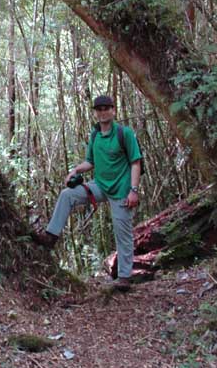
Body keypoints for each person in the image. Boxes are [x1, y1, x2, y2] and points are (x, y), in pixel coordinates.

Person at [33, 94, 143, 291]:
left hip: (121, 190)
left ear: (113, 110)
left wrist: (133, 191)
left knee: (122, 232)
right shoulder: (95, 136)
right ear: (95, 112)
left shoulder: (124, 133)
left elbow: (135, 162)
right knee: (68, 195)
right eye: (99, 109)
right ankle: (51, 236)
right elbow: (90, 162)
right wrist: (75, 170)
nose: (102, 112)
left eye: (106, 108)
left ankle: (125, 277)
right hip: (100, 185)